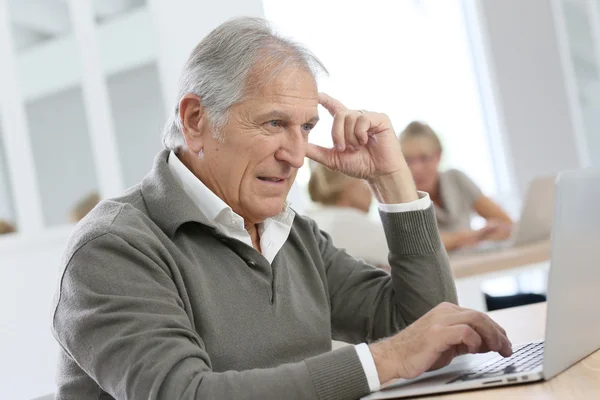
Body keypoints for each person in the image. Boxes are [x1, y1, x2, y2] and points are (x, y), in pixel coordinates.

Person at [52, 18, 512, 400]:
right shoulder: (112, 248)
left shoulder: (291, 234)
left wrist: (392, 182)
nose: (296, 154)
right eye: (275, 123)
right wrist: (385, 358)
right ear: (196, 120)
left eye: (307, 127)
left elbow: (427, 329)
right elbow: (185, 395)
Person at [400, 121, 513, 252]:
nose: (416, 168)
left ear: (438, 155)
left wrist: (493, 231)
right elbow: (417, 244)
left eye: (424, 158)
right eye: (407, 160)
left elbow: (505, 222)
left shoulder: (456, 179)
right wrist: (466, 237)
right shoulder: (402, 198)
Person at [307, 163, 389, 269]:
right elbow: (412, 256)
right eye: (366, 180)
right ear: (348, 185)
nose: (372, 190)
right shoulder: (351, 223)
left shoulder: (311, 219)